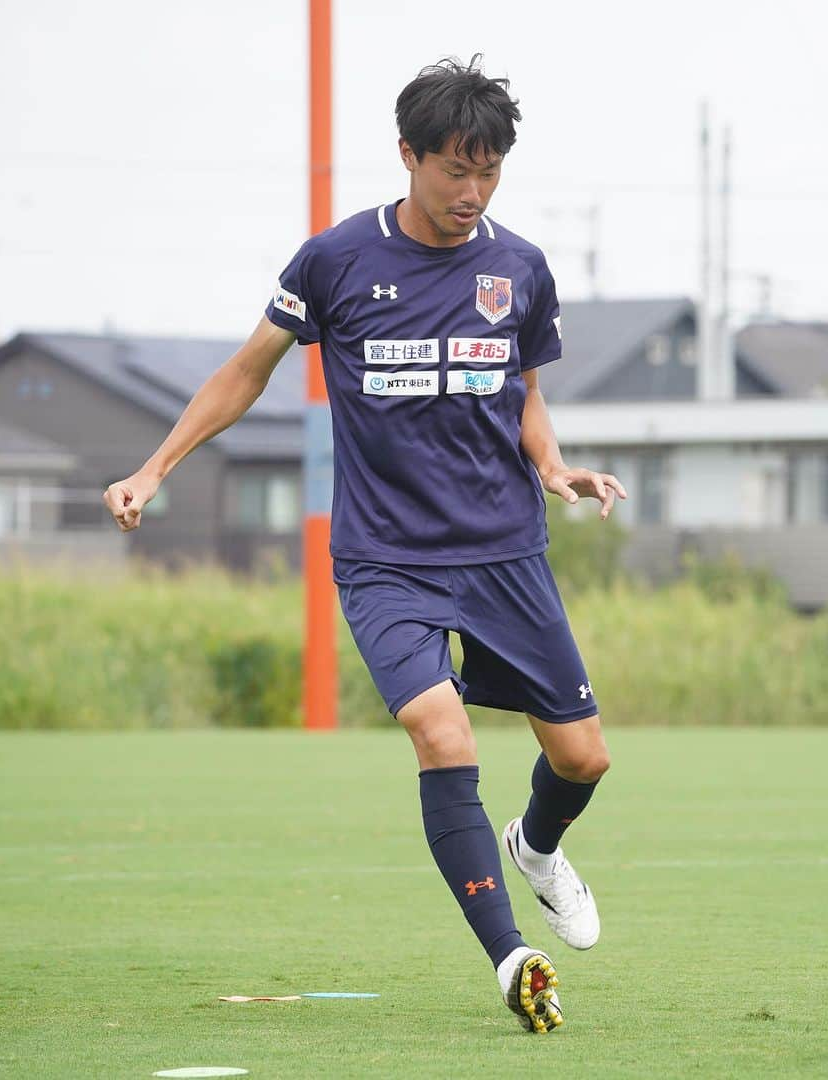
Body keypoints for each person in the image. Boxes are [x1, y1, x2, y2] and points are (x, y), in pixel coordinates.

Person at [103, 54, 626, 1034]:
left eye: (490, 173)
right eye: (453, 170)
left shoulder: (520, 271)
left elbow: (529, 402)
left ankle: (539, 846)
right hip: (386, 558)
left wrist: (556, 467)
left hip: (504, 550)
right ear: (408, 156)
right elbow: (245, 371)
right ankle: (511, 953)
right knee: (442, 733)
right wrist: (154, 467)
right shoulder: (336, 262)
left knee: (585, 758)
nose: (472, 194)